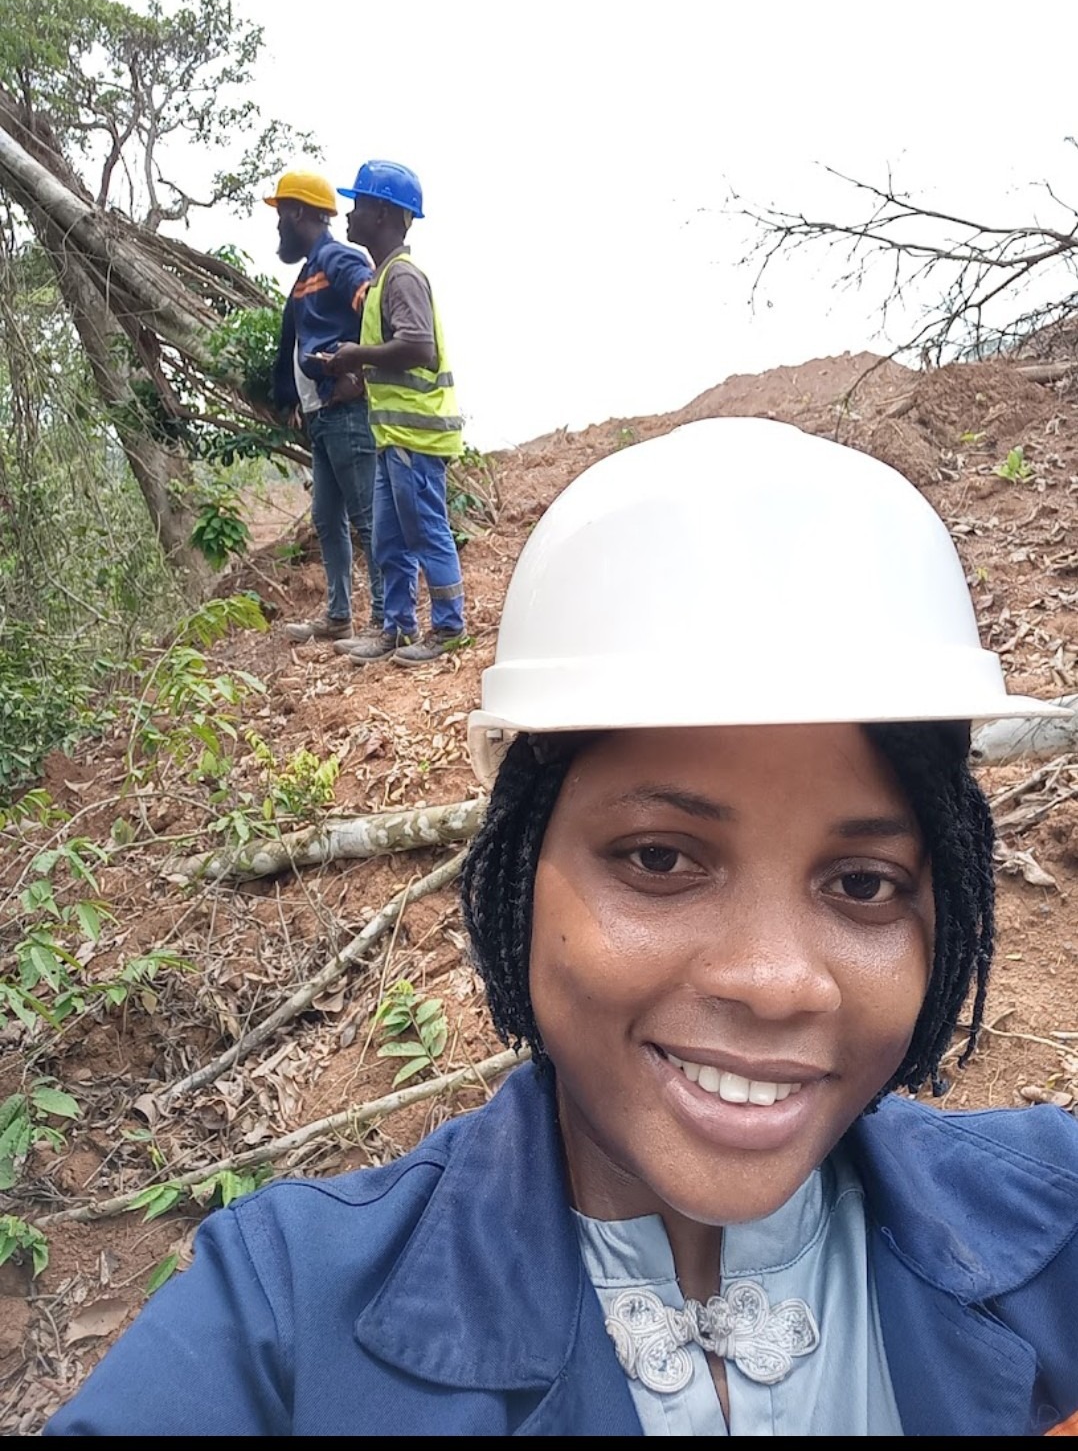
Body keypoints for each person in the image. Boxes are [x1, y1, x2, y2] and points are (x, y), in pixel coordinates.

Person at [45, 419, 1078, 1436]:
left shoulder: (1055, 1221)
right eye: (660, 859)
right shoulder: (281, 1323)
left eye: (862, 881)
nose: (774, 981)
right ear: (517, 875)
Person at [317, 160, 467, 669]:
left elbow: (418, 347)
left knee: (425, 531)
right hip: (394, 437)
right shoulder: (385, 281)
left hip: (416, 439)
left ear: (382, 213)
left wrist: (356, 356)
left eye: (359, 204)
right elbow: (396, 355)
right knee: (388, 539)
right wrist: (350, 377)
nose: (349, 214)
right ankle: (397, 628)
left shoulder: (401, 277)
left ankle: (449, 627)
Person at [266, 170, 385, 644]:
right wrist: (296, 398)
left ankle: (385, 621)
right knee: (327, 518)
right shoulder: (308, 272)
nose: (277, 227)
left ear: (298, 212)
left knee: (365, 517)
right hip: (323, 417)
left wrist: (362, 376)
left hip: (346, 415)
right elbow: (297, 344)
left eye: (280, 215)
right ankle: (339, 615)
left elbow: (374, 305)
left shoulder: (335, 258)